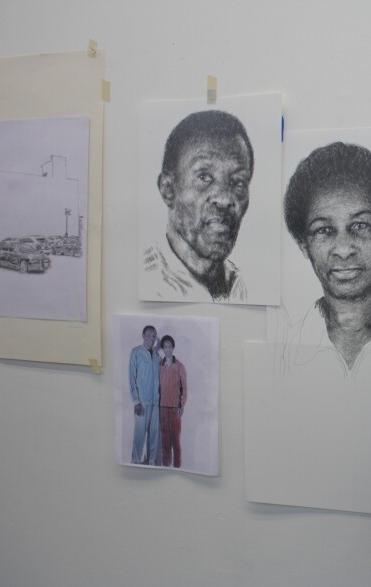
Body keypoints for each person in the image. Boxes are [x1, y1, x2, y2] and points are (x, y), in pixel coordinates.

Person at [282, 141, 371, 375]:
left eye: (360, 225)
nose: (343, 250)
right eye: (323, 230)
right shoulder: (286, 347)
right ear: (303, 245)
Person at [142, 110, 255, 302]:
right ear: (168, 189)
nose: (225, 199)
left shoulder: (245, 288)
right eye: (204, 177)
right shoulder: (147, 280)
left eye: (238, 183)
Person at [128, 325, 160, 465]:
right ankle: (135, 461)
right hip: (142, 402)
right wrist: (136, 401)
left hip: (155, 402)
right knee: (139, 435)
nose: (151, 339)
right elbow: (131, 377)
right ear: (143, 336)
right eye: (148, 335)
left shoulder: (157, 356)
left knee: (153, 434)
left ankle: (151, 460)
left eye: (153, 336)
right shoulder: (135, 352)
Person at [158, 335, 187, 468]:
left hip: (175, 408)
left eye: (170, 347)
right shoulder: (160, 365)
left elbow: (184, 388)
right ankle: (166, 465)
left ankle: (177, 467)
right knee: (165, 440)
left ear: (173, 348)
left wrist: (182, 405)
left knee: (175, 440)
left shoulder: (179, 366)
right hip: (162, 407)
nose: (168, 350)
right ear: (163, 348)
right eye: (165, 347)